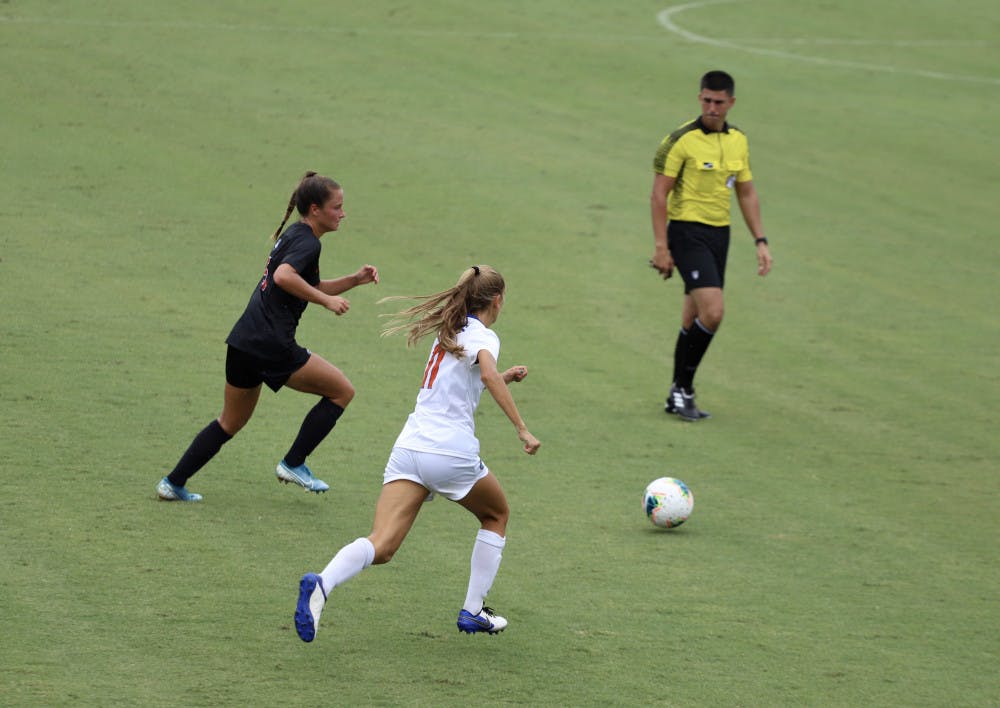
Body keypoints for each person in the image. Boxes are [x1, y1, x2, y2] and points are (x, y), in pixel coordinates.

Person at [293, 265, 541, 642]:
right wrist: (522, 428)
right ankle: (473, 611)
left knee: (383, 543)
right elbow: (486, 375)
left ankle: (322, 584)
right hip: (450, 452)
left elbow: (466, 380)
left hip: (410, 448)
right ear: (497, 300)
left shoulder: (449, 331)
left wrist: (503, 377)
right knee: (496, 514)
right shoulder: (485, 336)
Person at [155, 171, 379, 502]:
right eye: (337, 207)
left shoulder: (295, 235)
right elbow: (284, 276)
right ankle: (294, 463)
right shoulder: (308, 242)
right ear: (315, 209)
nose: (343, 213)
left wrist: (353, 280)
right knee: (341, 391)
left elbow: (307, 286)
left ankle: (173, 483)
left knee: (229, 422)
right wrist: (328, 302)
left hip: (244, 341)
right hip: (271, 344)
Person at [649, 70, 773, 421]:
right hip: (687, 232)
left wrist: (760, 240)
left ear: (731, 102)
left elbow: (746, 191)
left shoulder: (739, 141)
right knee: (714, 312)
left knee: (693, 316)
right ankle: (684, 388)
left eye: (719, 102)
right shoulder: (681, 140)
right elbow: (659, 194)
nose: (712, 107)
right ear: (700, 98)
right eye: (706, 100)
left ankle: (677, 393)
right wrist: (662, 246)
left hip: (721, 235)